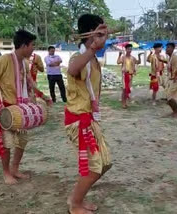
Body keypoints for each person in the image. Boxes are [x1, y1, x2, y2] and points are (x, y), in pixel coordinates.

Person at [65, 14, 112, 214]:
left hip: (90, 119)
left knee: (105, 164)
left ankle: (76, 198)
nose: (105, 38)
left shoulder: (93, 59)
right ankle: (74, 205)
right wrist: (93, 46)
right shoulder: (80, 57)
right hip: (78, 121)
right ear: (91, 34)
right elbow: (73, 69)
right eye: (101, 33)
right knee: (94, 167)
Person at [0, 30, 37, 185]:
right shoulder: (3, 60)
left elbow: (28, 82)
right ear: (24, 45)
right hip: (5, 109)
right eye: (32, 45)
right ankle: (6, 172)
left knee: (22, 140)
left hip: (21, 108)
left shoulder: (24, 62)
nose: (33, 49)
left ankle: (15, 169)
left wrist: (40, 96)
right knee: (6, 143)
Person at [158, 43, 177, 117]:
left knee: (170, 97)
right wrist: (161, 60)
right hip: (171, 80)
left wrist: (175, 76)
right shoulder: (170, 58)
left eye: (168, 47)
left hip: (175, 80)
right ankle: (174, 111)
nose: (166, 49)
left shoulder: (175, 57)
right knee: (168, 98)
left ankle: (176, 112)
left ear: (172, 49)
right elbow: (168, 62)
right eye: (166, 47)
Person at [117, 44, 142, 108]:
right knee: (124, 89)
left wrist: (139, 56)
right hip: (124, 75)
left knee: (127, 89)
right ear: (126, 49)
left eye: (131, 49)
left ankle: (125, 102)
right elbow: (118, 62)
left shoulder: (132, 58)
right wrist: (119, 55)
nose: (130, 50)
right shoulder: (123, 57)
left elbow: (138, 62)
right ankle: (123, 103)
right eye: (128, 49)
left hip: (130, 75)